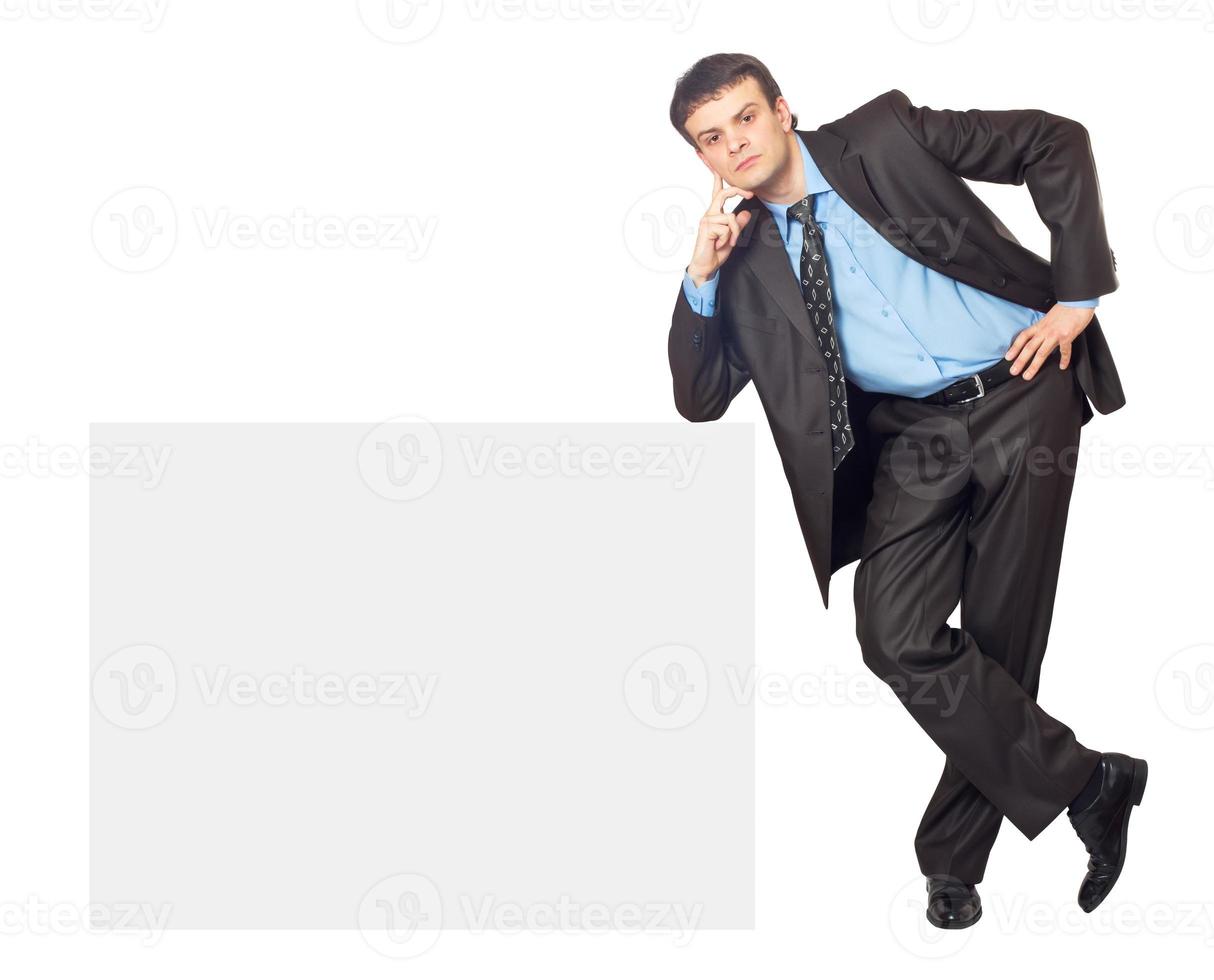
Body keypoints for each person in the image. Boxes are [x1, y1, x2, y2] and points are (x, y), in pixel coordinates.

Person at [666, 52, 1148, 930]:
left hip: (1023, 389)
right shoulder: (737, 258)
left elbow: (1054, 140)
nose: (734, 143)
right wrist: (698, 278)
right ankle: (1091, 780)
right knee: (895, 636)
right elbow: (698, 401)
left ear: (781, 110)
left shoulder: (884, 135)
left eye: (743, 117)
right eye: (711, 137)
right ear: (700, 158)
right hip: (914, 438)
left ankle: (954, 863)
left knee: (1002, 641)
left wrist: (1079, 295)